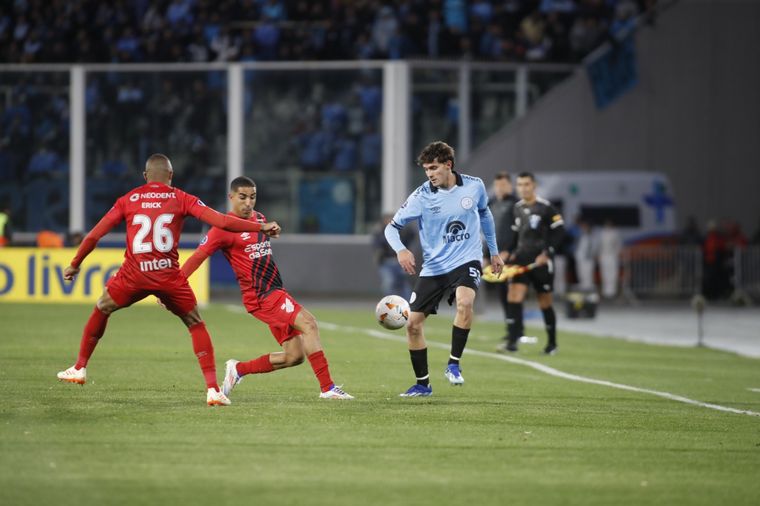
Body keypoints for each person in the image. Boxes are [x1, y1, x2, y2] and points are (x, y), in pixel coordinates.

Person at [56, 154, 281, 406]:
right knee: (195, 323)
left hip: (134, 274)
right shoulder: (181, 197)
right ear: (171, 176)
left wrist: (75, 264)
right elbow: (221, 221)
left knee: (102, 307)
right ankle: (213, 390)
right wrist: (259, 227)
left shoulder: (128, 199)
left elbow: (94, 236)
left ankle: (79, 367)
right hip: (168, 275)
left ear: (145, 176)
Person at [179, 176, 354, 400]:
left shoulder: (259, 219)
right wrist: (176, 284)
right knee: (309, 323)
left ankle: (238, 369)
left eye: (252, 197)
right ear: (231, 197)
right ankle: (328, 388)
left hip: (275, 292)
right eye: (242, 197)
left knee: (294, 356)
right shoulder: (221, 229)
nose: (248, 202)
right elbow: (197, 257)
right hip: (261, 297)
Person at [384, 141, 503, 397]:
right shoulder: (421, 196)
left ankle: (453, 364)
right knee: (412, 325)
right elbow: (390, 228)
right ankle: (422, 384)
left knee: (464, 303)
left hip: (466, 259)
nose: (429, 174)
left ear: (448, 165)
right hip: (434, 266)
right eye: (426, 169)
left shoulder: (475, 186)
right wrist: (401, 250)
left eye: (434, 168)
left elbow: (485, 215)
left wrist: (493, 251)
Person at [500, 172, 565, 355]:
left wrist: (548, 252)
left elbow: (559, 232)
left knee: (544, 301)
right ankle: (512, 341)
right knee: (513, 296)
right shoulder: (516, 208)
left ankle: (552, 343)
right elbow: (513, 236)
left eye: (526, 184)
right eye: (520, 185)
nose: (523, 188)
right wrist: (507, 252)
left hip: (540, 262)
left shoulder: (546, 208)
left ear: (534, 186)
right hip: (521, 261)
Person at [487, 171, 516, 342]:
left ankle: (516, 330)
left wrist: (509, 251)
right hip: (496, 256)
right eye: (498, 185)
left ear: (510, 186)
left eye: (503, 185)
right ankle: (510, 327)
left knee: (514, 293)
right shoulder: (491, 204)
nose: (500, 188)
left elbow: (519, 231)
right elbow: (486, 232)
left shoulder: (516, 204)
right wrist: (486, 254)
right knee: (503, 292)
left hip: (511, 256)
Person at [372, 213, 413, 300]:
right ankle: (390, 302)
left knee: (403, 283)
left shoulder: (401, 231)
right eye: (387, 219)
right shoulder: (380, 232)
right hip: (386, 261)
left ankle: (407, 303)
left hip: (400, 261)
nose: (389, 221)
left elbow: (411, 235)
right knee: (389, 282)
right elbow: (377, 245)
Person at [598, 219, 622, 299]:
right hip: (604, 256)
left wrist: (616, 254)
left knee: (612, 274)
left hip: (612, 256)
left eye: (609, 224)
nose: (607, 225)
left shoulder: (615, 233)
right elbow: (600, 245)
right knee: (605, 274)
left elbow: (618, 245)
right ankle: (606, 292)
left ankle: (612, 292)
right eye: (606, 224)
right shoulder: (602, 233)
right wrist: (599, 255)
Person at [574, 220, 597, 291]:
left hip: (588, 260)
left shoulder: (592, 236)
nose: (583, 228)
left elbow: (593, 248)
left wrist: (589, 255)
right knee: (581, 274)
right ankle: (583, 289)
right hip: (580, 259)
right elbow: (578, 247)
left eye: (584, 227)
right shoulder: (581, 236)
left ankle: (588, 289)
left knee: (587, 275)